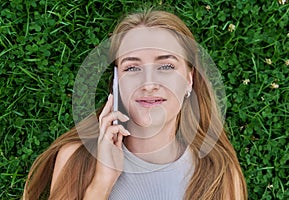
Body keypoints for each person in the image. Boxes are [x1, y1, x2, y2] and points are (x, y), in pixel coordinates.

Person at [23, 10, 247, 200]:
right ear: (116, 82)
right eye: (132, 68)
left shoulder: (220, 173)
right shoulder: (76, 159)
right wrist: (101, 184)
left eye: (166, 67)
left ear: (189, 79)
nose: (149, 84)